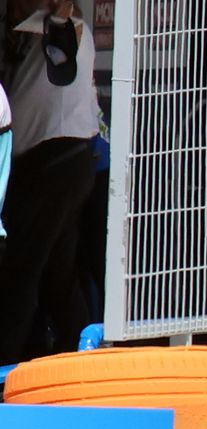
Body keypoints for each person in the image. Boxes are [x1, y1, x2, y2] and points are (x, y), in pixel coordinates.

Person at [0, 0, 98, 365]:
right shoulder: (38, 33)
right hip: (67, 162)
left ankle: (6, 362)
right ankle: (79, 357)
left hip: (50, 160)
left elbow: (63, 20)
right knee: (59, 273)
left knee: (21, 269)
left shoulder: (56, 29)